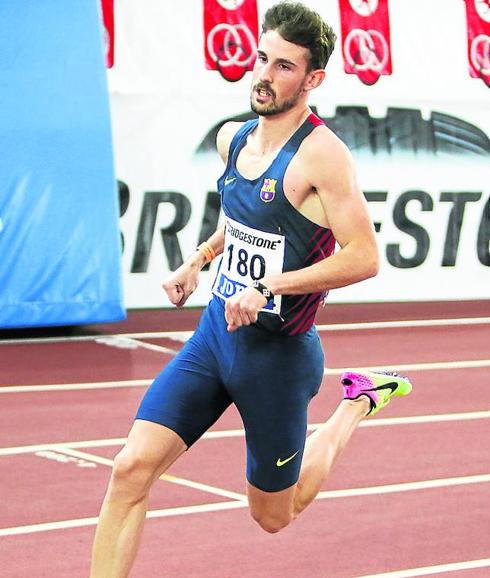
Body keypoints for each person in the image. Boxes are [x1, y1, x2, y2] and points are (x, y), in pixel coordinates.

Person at [90, 2, 412, 576]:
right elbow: (242, 223)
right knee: (129, 470)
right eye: (261, 58)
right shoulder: (233, 139)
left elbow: (365, 258)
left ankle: (358, 402)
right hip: (216, 337)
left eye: (283, 66)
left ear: (313, 79)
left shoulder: (323, 155)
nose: (263, 75)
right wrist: (199, 259)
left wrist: (269, 286)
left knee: (273, 515)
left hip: (278, 357)